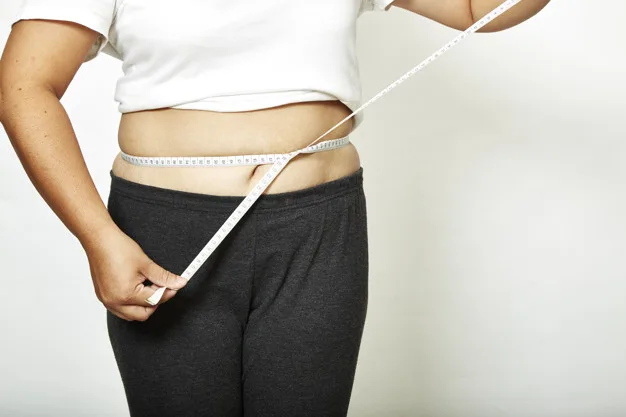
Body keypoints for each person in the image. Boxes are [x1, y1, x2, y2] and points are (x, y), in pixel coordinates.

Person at [0, 0, 549, 415]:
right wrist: (98, 236)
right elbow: (24, 83)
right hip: (165, 233)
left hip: (318, 229)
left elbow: (483, 8)